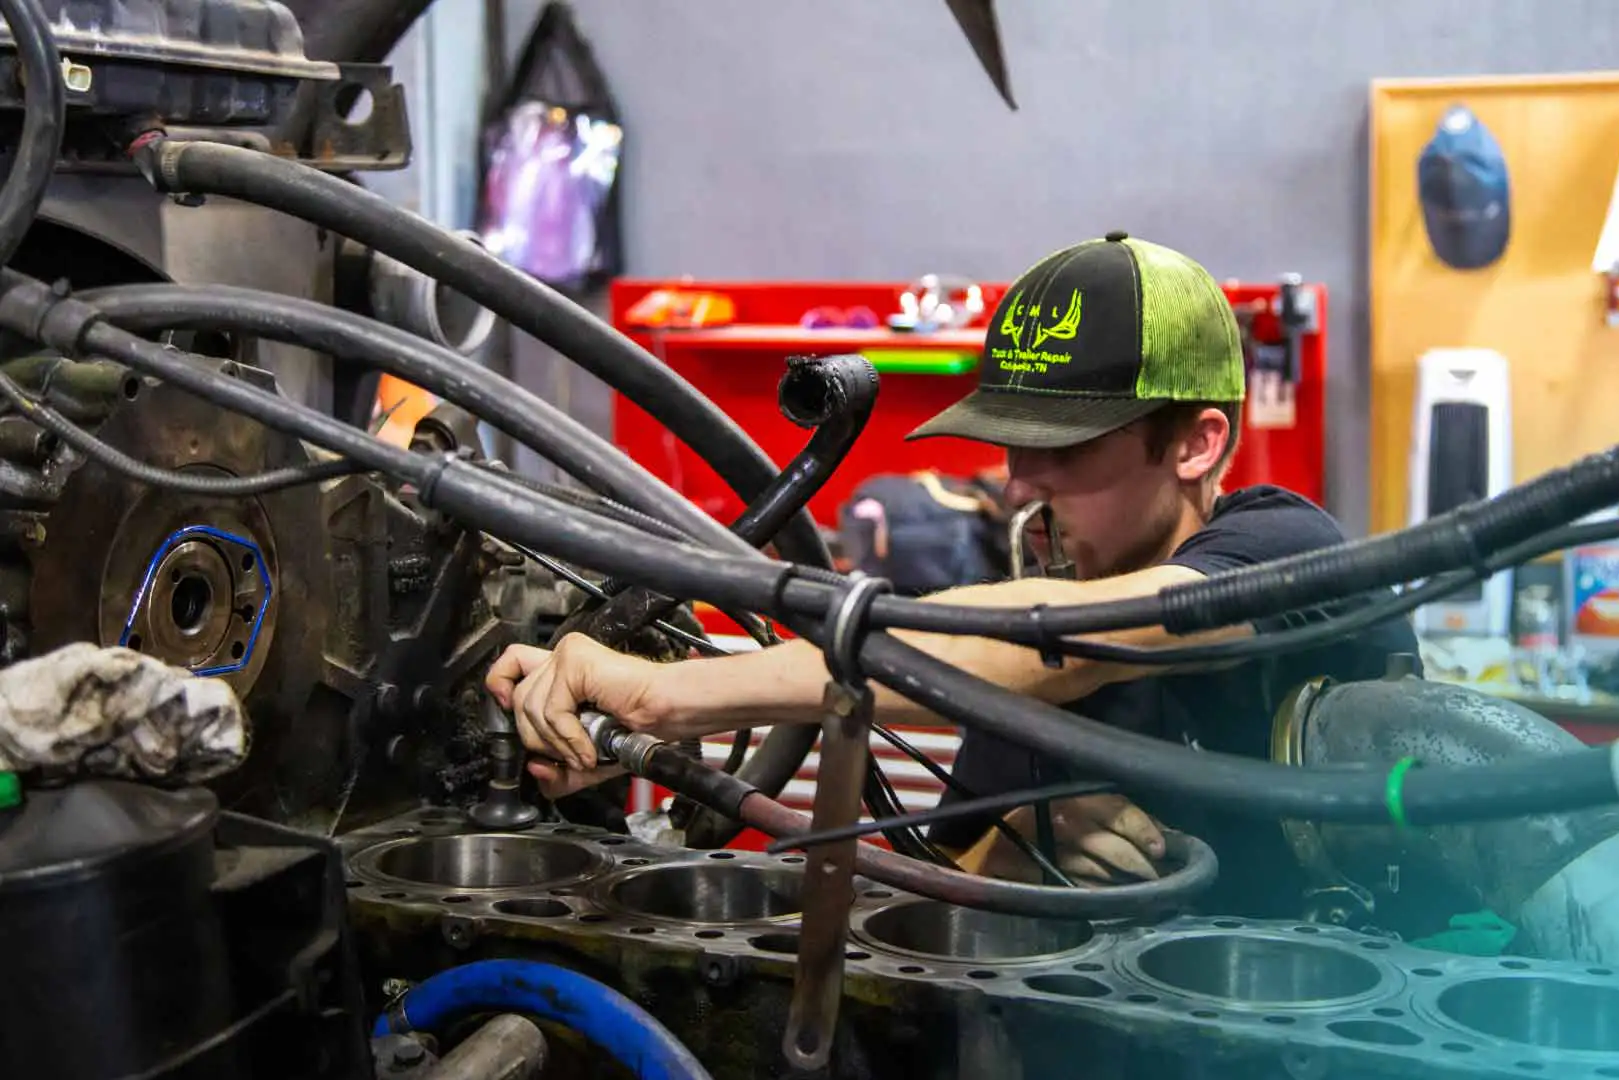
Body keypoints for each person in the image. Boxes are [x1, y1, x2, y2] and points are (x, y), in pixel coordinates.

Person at [486, 231, 1417, 917]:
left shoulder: (1285, 552)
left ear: (1197, 444)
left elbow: (1072, 640)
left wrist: (661, 695)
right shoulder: (1029, 616)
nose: (1019, 484)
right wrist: (1020, 855)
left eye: (1064, 449)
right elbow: (942, 892)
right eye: (1013, 445)